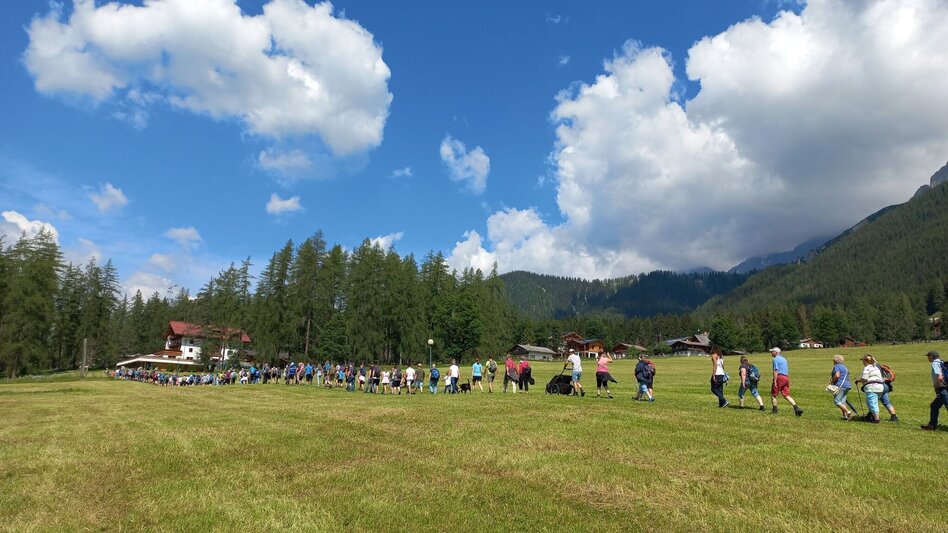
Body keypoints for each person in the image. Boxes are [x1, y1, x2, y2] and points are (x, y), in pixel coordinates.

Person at [769, 347, 803, 416]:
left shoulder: (775, 359)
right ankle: (796, 408)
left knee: (773, 395)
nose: (771, 353)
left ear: (776, 352)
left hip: (779, 377)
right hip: (786, 377)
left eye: (772, 351)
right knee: (786, 395)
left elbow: (776, 370)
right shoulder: (784, 359)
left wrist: (775, 381)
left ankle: (775, 411)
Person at [921, 350, 948, 431]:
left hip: (942, 389)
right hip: (945, 387)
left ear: (931, 357)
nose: (928, 358)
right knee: (934, 406)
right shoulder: (941, 362)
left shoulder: (935, 364)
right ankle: (932, 425)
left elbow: (940, 377)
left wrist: (935, 385)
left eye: (928, 356)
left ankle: (932, 425)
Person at [855, 354, 885, 423]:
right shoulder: (876, 368)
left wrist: (858, 380)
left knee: (872, 403)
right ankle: (871, 416)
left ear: (865, 361)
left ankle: (876, 419)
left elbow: (864, 378)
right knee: (872, 402)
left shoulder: (867, 368)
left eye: (863, 360)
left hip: (871, 387)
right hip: (880, 387)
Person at [829, 354, 855, 420]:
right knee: (842, 401)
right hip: (847, 386)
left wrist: (832, 380)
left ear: (835, 361)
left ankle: (848, 413)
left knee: (837, 401)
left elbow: (837, 375)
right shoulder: (845, 367)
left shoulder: (836, 366)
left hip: (840, 385)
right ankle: (844, 416)